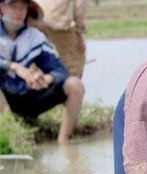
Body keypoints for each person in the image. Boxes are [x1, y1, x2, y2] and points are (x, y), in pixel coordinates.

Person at [0, 0, 84, 143]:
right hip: (5, 98)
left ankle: (63, 140)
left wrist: (45, 78)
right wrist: (14, 67)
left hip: (29, 97)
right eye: (13, 6)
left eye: (22, 7)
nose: (18, 12)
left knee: (75, 84)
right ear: (2, 7)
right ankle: (10, 134)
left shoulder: (35, 37)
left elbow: (60, 70)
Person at [35, 0, 87, 78]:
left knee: (36, 60)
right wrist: (79, 33)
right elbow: (79, 10)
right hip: (57, 21)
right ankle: (71, 85)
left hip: (34, 19)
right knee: (73, 64)